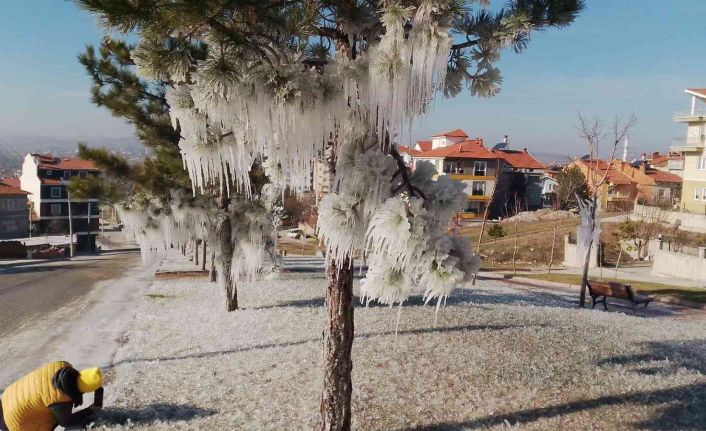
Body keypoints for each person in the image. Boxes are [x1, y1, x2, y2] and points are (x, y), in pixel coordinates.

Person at [0, 361, 103, 431]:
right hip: (14, 423)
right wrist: (90, 410)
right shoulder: (59, 397)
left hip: (6, 398)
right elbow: (66, 422)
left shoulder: (63, 365)